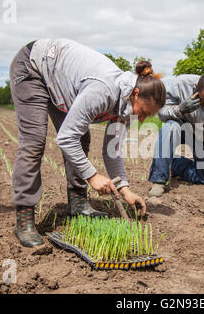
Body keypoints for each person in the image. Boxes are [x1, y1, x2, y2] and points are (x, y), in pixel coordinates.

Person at [9, 38, 166, 247]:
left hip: (59, 82)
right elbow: (65, 139)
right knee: (34, 141)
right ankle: (24, 219)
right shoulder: (104, 90)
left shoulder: (126, 107)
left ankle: (77, 203)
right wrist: (92, 176)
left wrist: (126, 190)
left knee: (82, 136)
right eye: (144, 112)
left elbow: (112, 152)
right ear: (135, 94)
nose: (143, 119)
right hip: (33, 68)